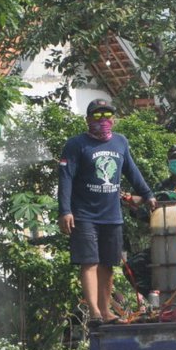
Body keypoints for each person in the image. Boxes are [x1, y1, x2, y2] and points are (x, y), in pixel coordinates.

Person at [58, 98, 157, 326]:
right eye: (97, 116)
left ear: (113, 119)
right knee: (89, 262)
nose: (103, 121)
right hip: (84, 215)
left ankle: (106, 310)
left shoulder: (120, 143)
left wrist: (148, 194)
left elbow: (132, 171)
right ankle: (94, 312)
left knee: (108, 264)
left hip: (111, 215)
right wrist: (65, 211)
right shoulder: (76, 145)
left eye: (107, 116)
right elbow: (65, 179)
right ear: (88, 119)